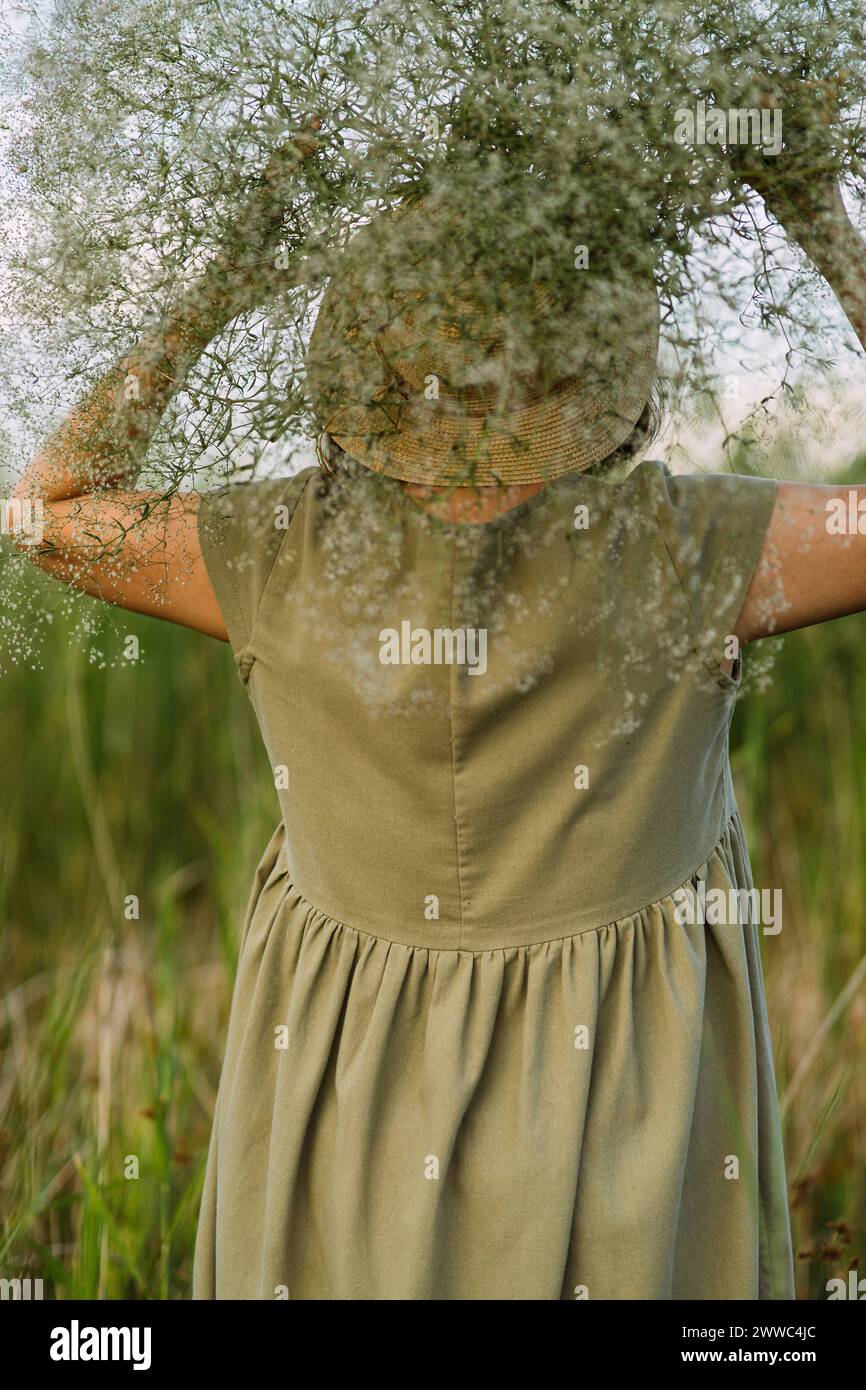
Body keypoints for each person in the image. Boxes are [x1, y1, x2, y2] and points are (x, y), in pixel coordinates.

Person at [6, 107, 866, 1301]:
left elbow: (44, 511)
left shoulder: (270, 550)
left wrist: (222, 282)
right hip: (627, 1106)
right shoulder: (696, 551)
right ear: (598, 388)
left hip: (338, 1103)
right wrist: (818, 218)